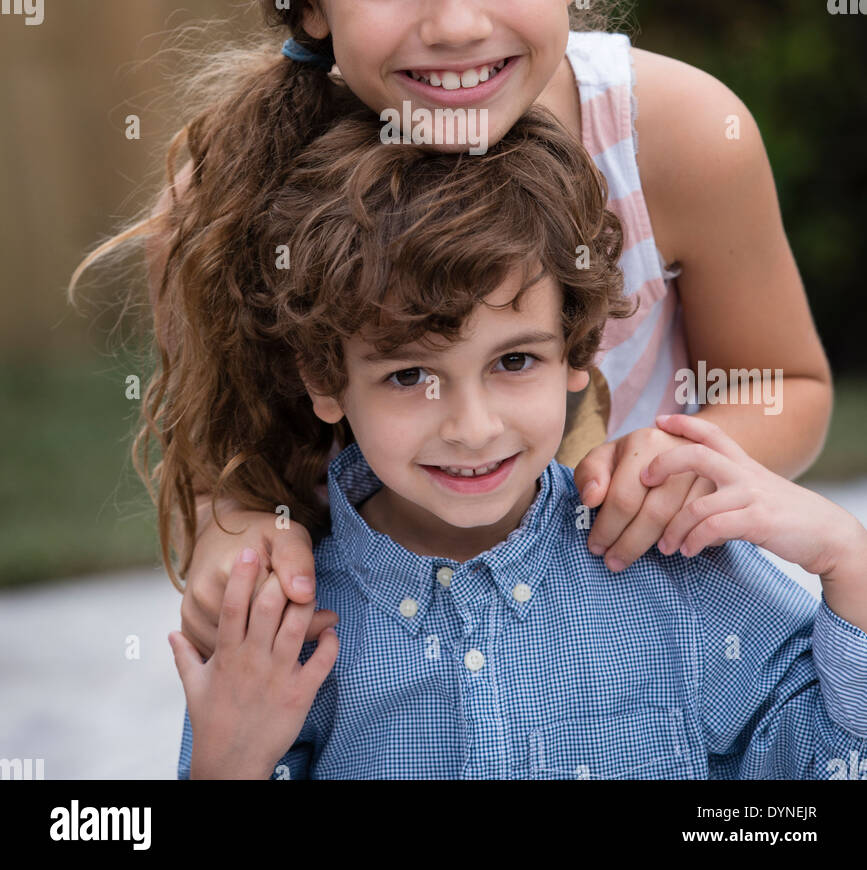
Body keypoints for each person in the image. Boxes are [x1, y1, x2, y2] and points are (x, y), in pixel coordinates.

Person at [70, 0, 833, 660]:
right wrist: (235, 525)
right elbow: (230, 458)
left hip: (652, 629)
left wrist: (677, 459)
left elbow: (789, 382)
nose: (457, 22)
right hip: (412, 661)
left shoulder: (675, 136)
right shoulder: (227, 197)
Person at [168, 108, 867, 780]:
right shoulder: (283, 630)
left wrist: (848, 559)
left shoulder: (680, 575)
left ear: (577, 348)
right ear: (325, 376)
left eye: (513, 362)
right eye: (409, 375)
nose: (471, 427)